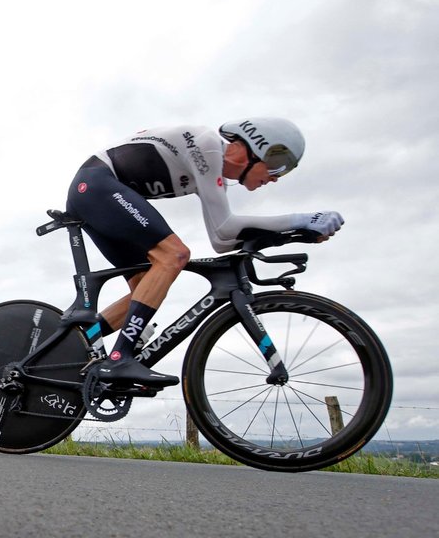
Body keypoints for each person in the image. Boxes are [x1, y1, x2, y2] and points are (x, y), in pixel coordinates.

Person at [67, 117, 344, 387]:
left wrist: (292, 235)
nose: (275, 179)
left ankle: (71, 347)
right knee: (174, 255)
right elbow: (224, 231)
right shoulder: (207, 145)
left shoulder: (208, 167)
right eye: (277, 167)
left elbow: (223, 241)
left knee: (146, 286)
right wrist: (299, 219)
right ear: (257, 148)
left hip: (97, 193)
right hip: (96, 185)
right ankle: (119, 358)